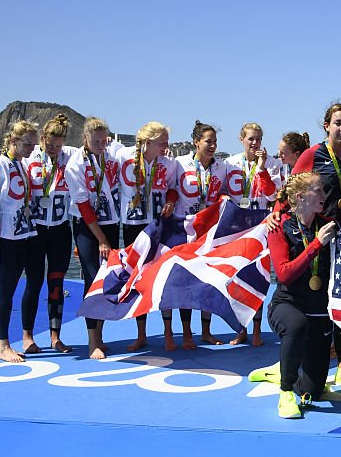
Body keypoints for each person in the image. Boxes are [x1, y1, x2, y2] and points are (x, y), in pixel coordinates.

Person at [292, 102, 341, 388]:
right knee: (320, 297)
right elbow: (292, 188)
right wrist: (277, 216)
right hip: (318, 235)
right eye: (337, 123)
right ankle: (310, 356)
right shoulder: (313, 155)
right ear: (326, 125)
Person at [266, 172, 339, 418]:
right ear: (300, 197)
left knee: (313, 391)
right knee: (296, 325)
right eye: (317, 191)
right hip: (288, 304)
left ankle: (283, 370)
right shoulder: (279, 227)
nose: (323, 195)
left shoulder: (329, 224)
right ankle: (285, 390)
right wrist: (316, 244)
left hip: (318, 309)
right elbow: (285, 275)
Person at [0, 120, 41, 362]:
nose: (31, 148)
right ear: (13, 141)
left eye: (33, 144)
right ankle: (3, 342)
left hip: (24, 235)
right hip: (6, 240)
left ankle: (14, 339)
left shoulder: (20, 165)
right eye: (27, 144)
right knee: (6, 291)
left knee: (30, 282)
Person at [119, 122, 180, 352]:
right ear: (148, 142)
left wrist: (171, 201)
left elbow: (173, 188)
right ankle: (141, 333)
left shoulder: (168, 162)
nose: (166, 145)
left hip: (159, 223)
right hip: (133, 224)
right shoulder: (123, 156)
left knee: (164, 276)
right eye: (162, 141)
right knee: (137, 278)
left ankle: (168, 332)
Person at [172, 121, 233, 349]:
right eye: (208, 141)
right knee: (186, 284)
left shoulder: (221, 167)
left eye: (215, 141)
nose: (213, 145)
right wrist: (170, 202)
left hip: (209, 231)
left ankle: (206, 331)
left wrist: (224, 196)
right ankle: (187, 333)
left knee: (207, 282)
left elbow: (225, 189)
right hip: (184, 229)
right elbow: (170, 189)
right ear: (196, 142)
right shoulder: (180, 164)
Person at [64, 116, 121, 359]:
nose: (101, 144)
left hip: (110, 222)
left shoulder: (111, 155)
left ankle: (100, 334)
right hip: (87, 227)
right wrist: (101, 240)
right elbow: (84, 206)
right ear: (85, 138)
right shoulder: (75, 165)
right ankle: (92, 340)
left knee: (107, 279)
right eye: (96, 140)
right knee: (91, 279)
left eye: (104, 139)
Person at [25, 114, 79, 354]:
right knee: (34, 282)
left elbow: (100, 147)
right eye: (50, 145)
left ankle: (55, 336)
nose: (55, 150)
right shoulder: (30, 158)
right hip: (34, 231)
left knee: (56, 283)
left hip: (59, 230)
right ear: (42, 139)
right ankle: (27, 336)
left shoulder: (70, 155)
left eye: (58, 146)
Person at [226, 122, 280, 346]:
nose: (255, 143)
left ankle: (257, 329)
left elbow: (273, 194)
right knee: (238, 279)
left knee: (258, 277)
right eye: (251, 139)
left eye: (258, 139)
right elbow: (220, 192)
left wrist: (261, 166)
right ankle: (241, 329)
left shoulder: (273, 164)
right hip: (238, 228)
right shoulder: (230, 164)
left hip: (260, 226)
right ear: (241, 139)